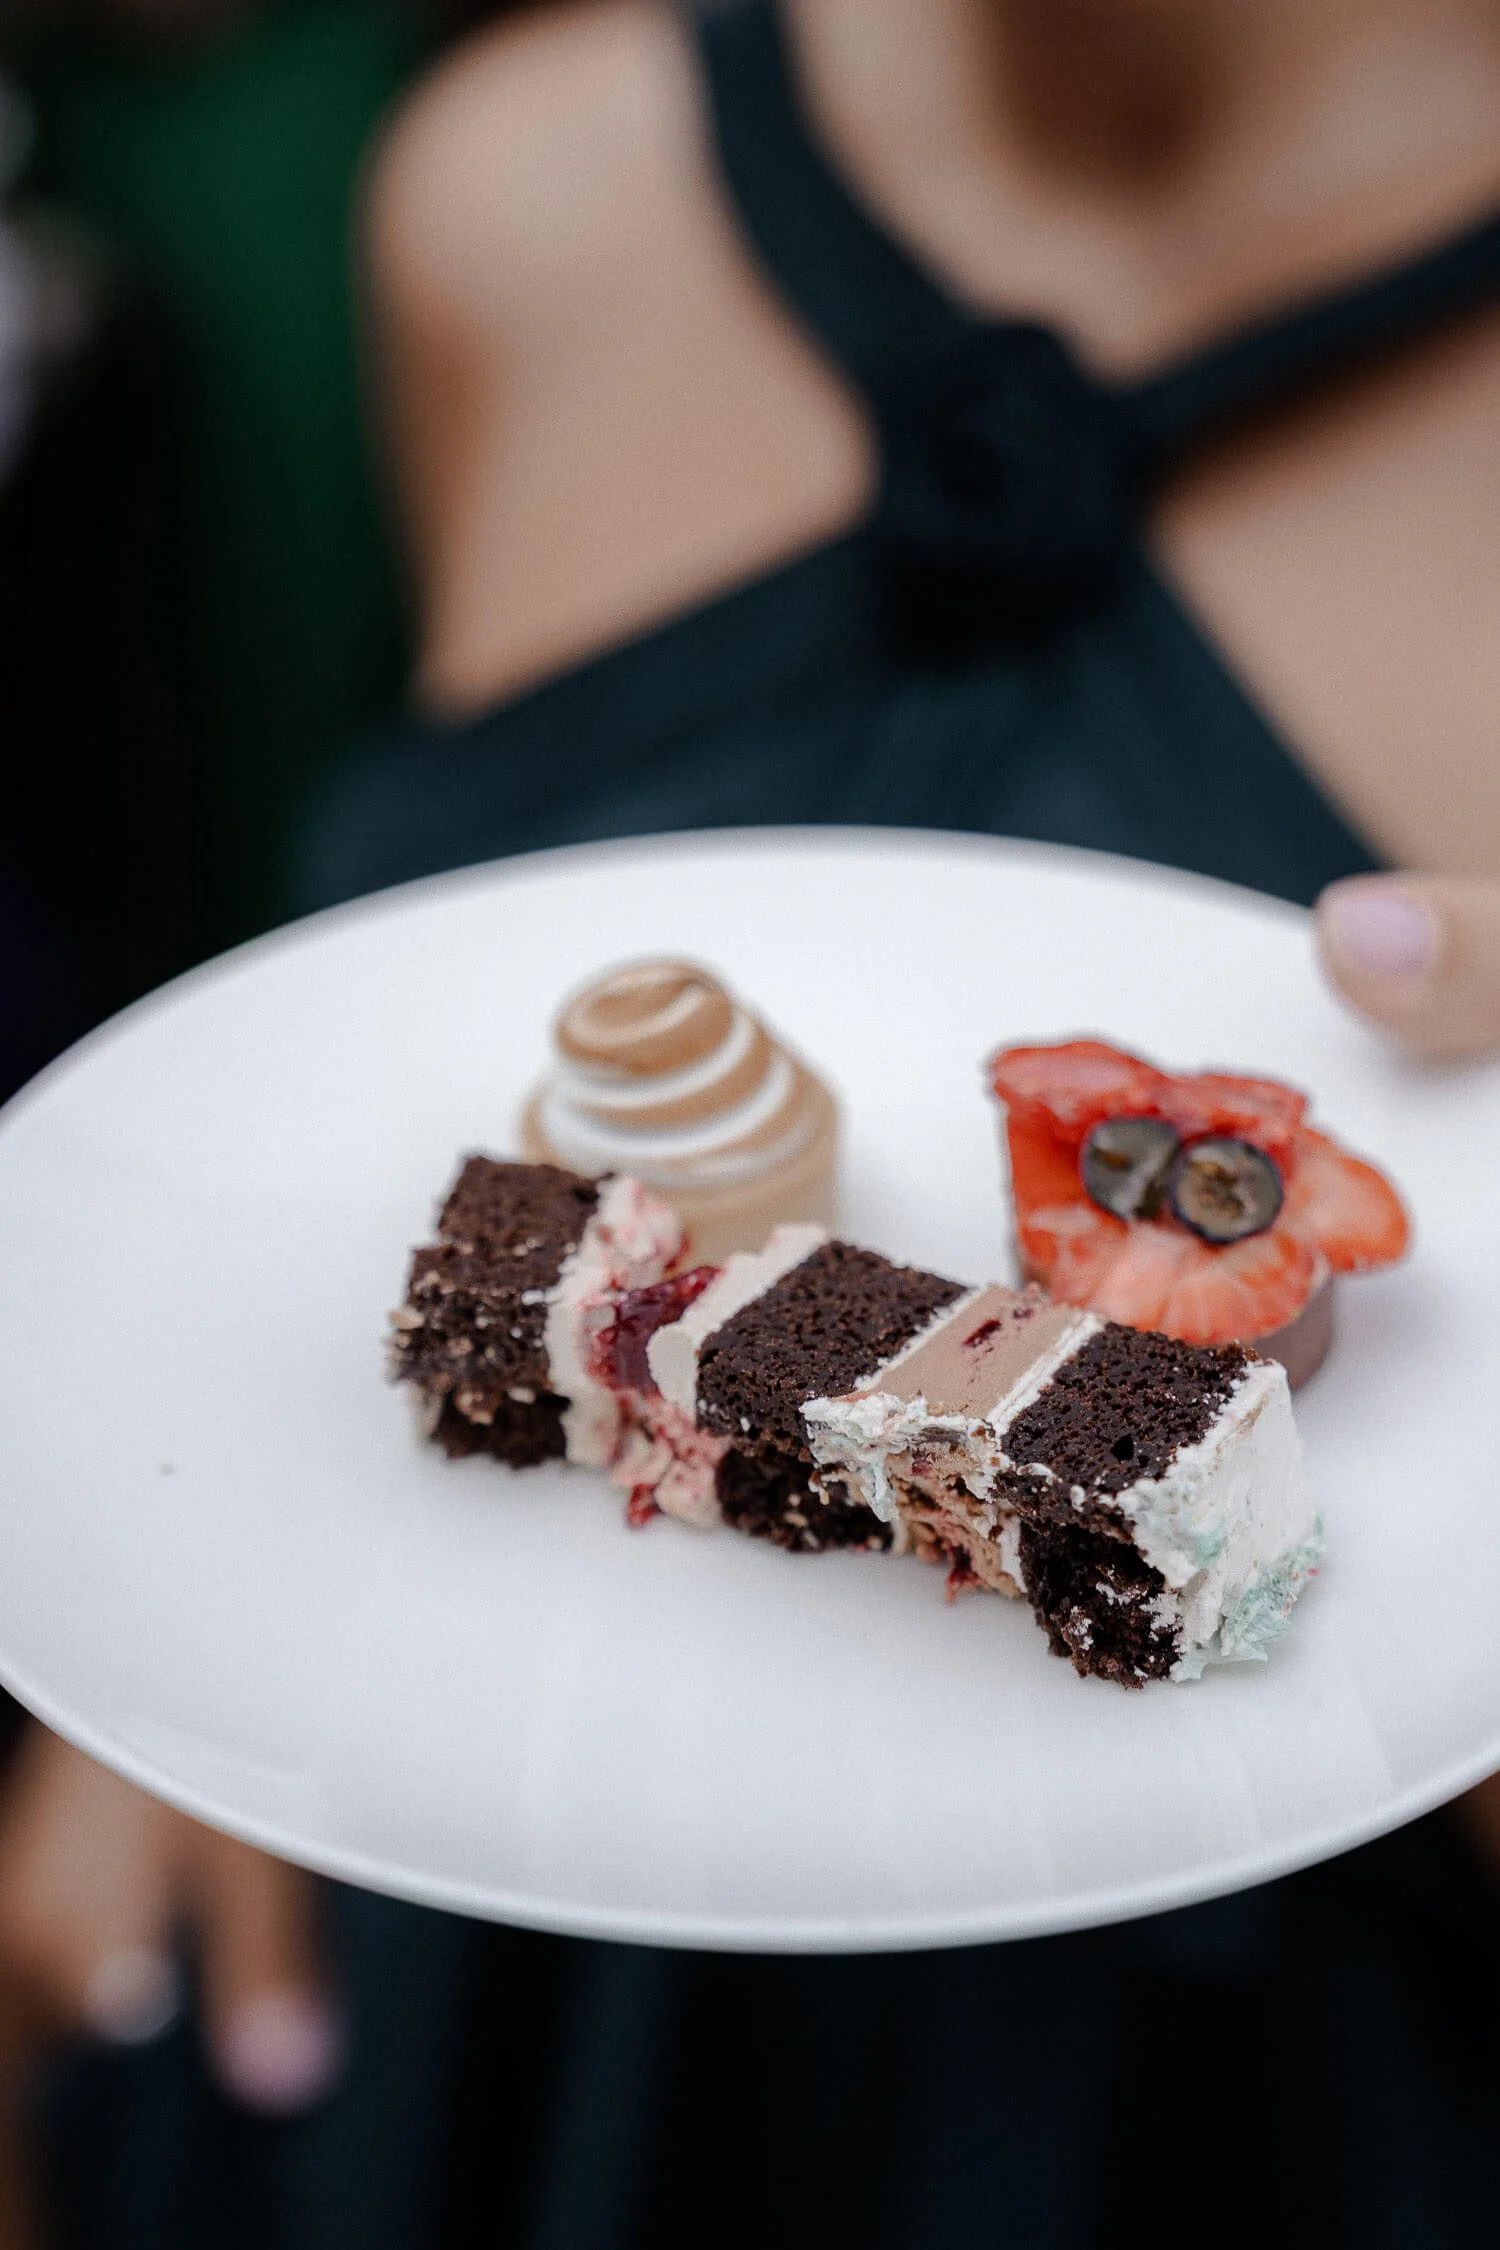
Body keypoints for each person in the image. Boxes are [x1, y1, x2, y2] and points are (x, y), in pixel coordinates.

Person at [6, 0, 1500, 2240]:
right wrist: (183, 1648)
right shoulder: (515, 191)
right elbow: (361, 1079)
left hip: (1232, 2102)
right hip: (440, 1993)